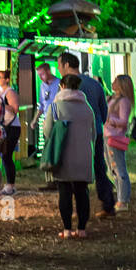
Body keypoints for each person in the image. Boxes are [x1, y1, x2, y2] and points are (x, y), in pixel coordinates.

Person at [58, 52, 116, 218]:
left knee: (74, 172)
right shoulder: (95, 84)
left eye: (60, 65)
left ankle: (78, 209)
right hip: (95, 133)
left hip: (73, 136)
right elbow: (104, 112)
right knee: (99, 168)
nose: (59, 69)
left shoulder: (65, 88)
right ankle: (108, 203)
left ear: (67, 65)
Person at [41, 73, 96, 238]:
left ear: (62, 86)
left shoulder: (56, 107)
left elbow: (47, 131)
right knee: (82, 191)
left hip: (63, 155)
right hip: (84, 156)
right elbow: (93, 134)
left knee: (64, 191)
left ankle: (66, 229)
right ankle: (82, 229)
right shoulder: (87, 108)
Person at [104, 74, 134, 210]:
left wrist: (110, 120)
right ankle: (121, 198)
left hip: (114, 137)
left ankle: (123, 200)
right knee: (113, 169)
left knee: (119, 168)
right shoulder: (113, 98)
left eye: (115, 81)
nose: (112, 82)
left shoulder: (123, 102)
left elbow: (124, 121)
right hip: (109, 136)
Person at [31, 62, 61, 189]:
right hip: (47, 120)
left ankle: (59, 178)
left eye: (42, 74)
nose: (41, 77)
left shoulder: (59, 84)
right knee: (47, 149)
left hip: (58, 119)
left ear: (48, 71)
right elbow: (42, 105)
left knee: (57, 149)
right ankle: (50, 180)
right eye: (39, 75)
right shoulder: (42, 86)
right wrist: (35, 120)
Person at [0, 69, 21, 195]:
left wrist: (0, 104)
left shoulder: (9, 92)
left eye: (0, 77)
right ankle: (8, 184)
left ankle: (10, 185)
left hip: (11, 127)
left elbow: (15, 109)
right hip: (4, 126)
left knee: (7, 155)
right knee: (4, 155)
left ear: (7, 79)